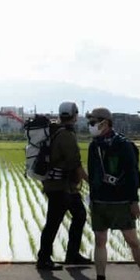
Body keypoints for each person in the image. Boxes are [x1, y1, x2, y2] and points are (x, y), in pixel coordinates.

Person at [80, 107, 140, 280]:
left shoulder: (124, 145)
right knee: (100, 240)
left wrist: (134, 201)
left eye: (93, 122)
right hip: (100, 201)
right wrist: (93, 197)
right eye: (90, 122)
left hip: (121, 201)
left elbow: (133, 174)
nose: (91, 126)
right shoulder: (94, 146)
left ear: (105, 122)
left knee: (132, 240)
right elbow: (93, 174)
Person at [36, 101, 92, 271]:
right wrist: (92, 182)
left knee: (79, 215)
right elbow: (76, 164)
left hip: (62, 185)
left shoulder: (56, 131)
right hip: (59, 187)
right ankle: (44, 258)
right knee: (54, 222)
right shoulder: (66, 135)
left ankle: (72, 254)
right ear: (75, 115)